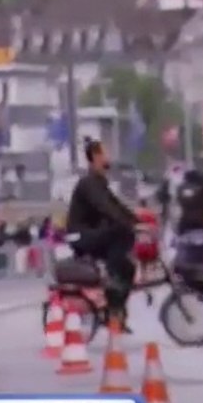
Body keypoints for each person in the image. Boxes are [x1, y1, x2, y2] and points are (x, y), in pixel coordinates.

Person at [65, 138, 137, 332]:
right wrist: (126, 223)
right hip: (79, 236)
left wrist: (138, 221)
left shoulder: (100, 182)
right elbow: (105, 208)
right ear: (96, 156)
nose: (109, 156)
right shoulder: (88, 183)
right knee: (120, 231)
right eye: (106, 152)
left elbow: (116, 206)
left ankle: (115, 311)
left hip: (91, 235)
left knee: (128, 268)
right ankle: (112, 280)